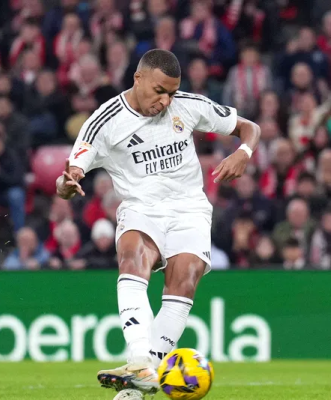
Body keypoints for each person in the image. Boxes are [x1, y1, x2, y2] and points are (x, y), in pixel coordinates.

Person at [56, 49, 260, 397]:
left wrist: (244, 152)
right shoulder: (104, 122)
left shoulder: (188, 105)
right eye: (159, 91)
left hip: (190, 209)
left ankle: (137, 385)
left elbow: (249, 128)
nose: (165, 101)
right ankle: (139, 360)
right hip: (141, 207)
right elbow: (70, 173)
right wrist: (67, 185)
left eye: (171, 92)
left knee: (185, 281)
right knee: (133, 259)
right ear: (139, 78)